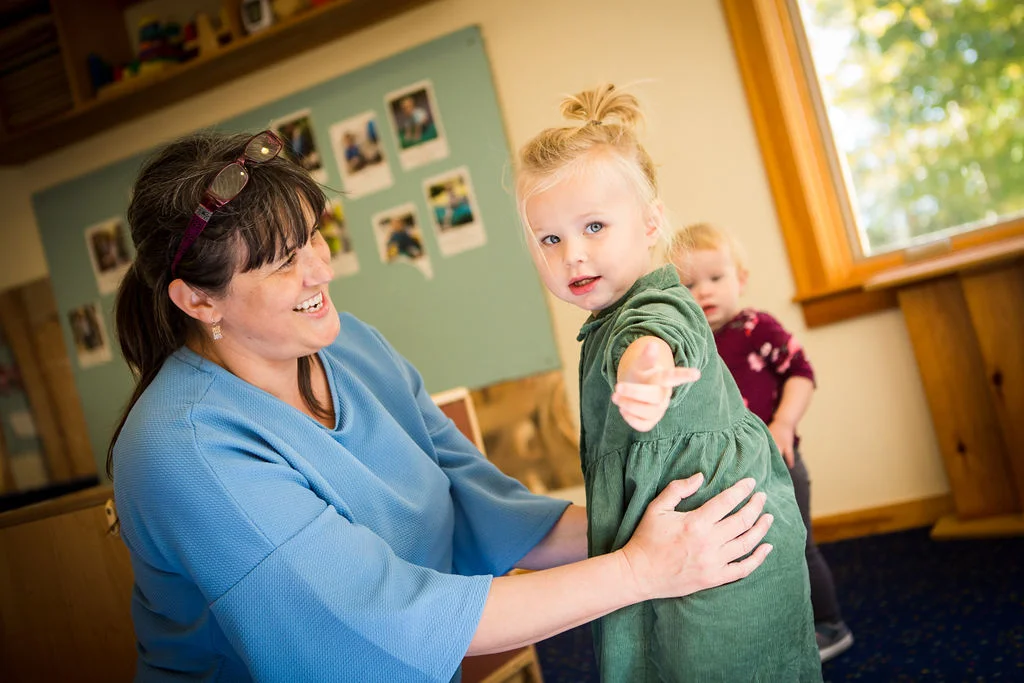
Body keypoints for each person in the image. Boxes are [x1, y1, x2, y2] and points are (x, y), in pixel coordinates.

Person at [108, 129, 777, 682]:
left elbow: (474, 496)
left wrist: (667, 523)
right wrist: (640, 569)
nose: (321, 269)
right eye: (284, 261)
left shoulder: (348, 344)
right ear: (198, 300)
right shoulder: (184, 449)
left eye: (314, 236)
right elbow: (380, 617)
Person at [514, 84, 822, 682]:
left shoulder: (657, 304)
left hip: (725, 563)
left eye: (594, 226)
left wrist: (647, 372)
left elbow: (656, 339)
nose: (572, 254)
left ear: (651, 223)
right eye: (550, 238)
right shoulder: (606, 320)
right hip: (683, 546)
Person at [669, 221, 855, 663]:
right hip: (724, 472)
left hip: (777, 461)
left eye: (715, 278)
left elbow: (801, 373)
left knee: (797, 546)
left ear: (741, 278)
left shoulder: (756, 327)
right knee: (747, 556)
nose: (703, 291)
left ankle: (830, 625)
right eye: (689, 285)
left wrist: (784, 422)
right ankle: (771, 632)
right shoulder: (687, 345)